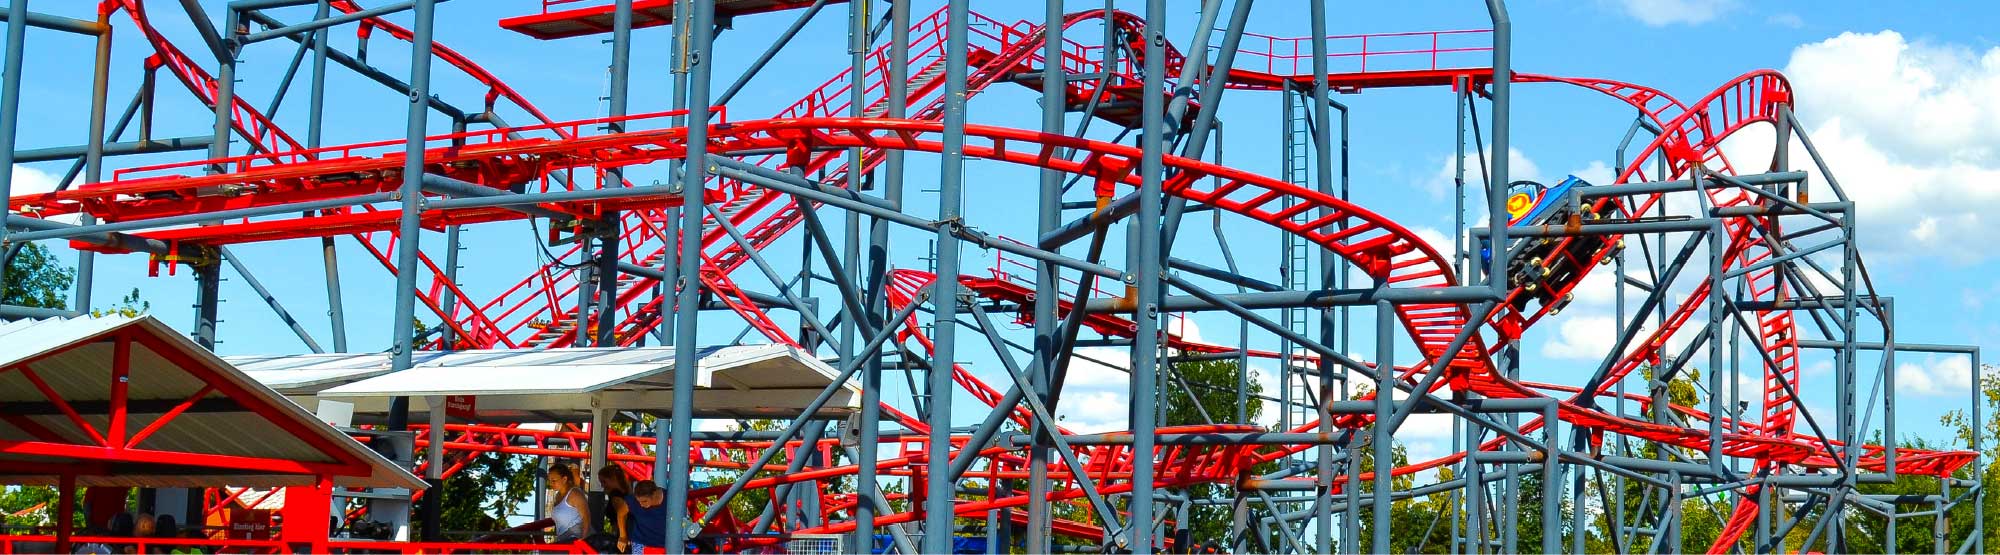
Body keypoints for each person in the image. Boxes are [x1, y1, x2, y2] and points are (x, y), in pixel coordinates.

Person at [544, 463, 590, 544]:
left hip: (574, 538)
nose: (551, 484)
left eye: (554, 481)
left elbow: (586, 517)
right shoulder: (558, 496)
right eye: (549, 481)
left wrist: (583, 539)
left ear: (564, 479)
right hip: (562, 539)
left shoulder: (575, 494)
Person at [622, 480, 669, 554]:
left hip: (665, 545)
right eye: (639, 501)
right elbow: (620, 511)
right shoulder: (632, 501)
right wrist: (623, 536)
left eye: (644, 501)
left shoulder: (670, 499)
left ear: (654, 494)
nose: (641, 505)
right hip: (641, 543)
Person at [595, 466, 632, 552]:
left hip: (621, 536)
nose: (602, 485)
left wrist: (622, 536)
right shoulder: (627, 493)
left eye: (604, 482)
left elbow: (621, 512)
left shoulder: (615, 496)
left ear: (613, 479)